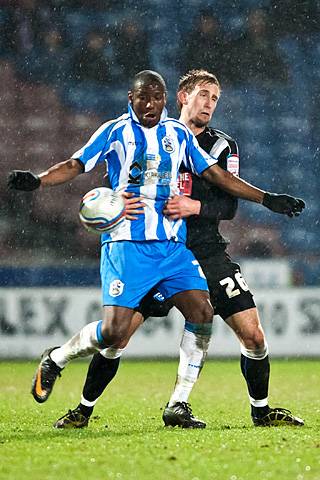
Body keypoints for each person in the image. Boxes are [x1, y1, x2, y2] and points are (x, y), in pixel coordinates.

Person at [8, 70, 304, 427]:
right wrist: (38, 180)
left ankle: (179, 404)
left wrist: (266, 198)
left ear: (166, 99)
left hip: (175, 247)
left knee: (201, 312)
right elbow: (76, 164)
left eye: (156, 98)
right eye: (143, 98)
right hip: (127, 245)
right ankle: (58, 360)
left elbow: (216, 176)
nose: (150, 105)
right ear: (131, 99)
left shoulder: (181, 136)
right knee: (115, 335)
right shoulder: (115, 131)